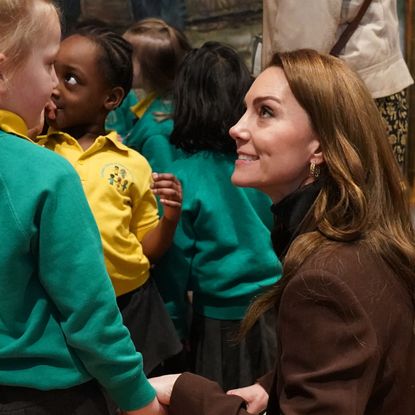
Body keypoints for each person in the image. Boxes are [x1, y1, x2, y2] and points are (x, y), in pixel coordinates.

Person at [149, 48, 415, 414]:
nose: (236, 128)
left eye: (265, 112)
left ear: (319, 145)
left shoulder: (324, 280)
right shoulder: (358, 237)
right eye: (245, 109)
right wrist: (269, 383)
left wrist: (187, 390)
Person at [0, 1, 166, 414]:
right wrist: (137, 398)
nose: (53, 85)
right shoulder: (45, 172)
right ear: (3, 69)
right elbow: (90, 313)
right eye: (49, 65)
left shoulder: (130, 160)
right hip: (47, 396)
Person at [36, 24, 183, 376]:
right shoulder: (35, 151)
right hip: (61, 305)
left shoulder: (131, 162)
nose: (54, 87)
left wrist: (171, 218)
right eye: (51, 72)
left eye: (71, 80)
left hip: (131, 304)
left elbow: (145, 246)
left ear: (111, 98)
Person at [152, 41, 282, 389]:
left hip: (217, 325)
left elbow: (175, 265)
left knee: (221, 401)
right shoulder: (266, 167)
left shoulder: (182, 178)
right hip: (276, 312)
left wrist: (175, 328)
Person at [261, 0, 413, 167]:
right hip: (373, 83)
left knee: (330, 188)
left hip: (337, 99)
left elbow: (302, 34)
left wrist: (273, 93)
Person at [107, 18, 191, 175]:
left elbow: (162, 188)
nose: (118, 62)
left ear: (149, 69)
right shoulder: (167, 105)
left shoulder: (156, 132)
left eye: (125, 57)